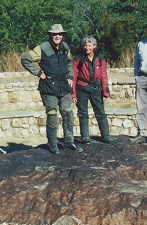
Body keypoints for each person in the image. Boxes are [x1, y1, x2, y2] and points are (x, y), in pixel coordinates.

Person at [21, 24, 83, 154]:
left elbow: (68, 62)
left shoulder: (65, 47)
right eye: (55, 34)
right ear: (50, 35)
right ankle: (53, 144)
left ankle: (69, 142)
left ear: (63, 35)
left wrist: (70, 76)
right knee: (52, 115)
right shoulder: (42, 48)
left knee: (68, 113)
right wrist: (39, 73)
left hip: (64, 86)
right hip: (49, 87)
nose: (57, 36)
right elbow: (25, 59)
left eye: (60, 34)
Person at [72, 35, 115, 144]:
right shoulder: (78, 59)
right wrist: (73, 94)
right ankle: (85, 137)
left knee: (100, 112)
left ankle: (106, 136)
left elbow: (103, 76)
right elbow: (73, 76)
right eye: (85, 45)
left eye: (90, 45)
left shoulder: (100, 59)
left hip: (96, 89)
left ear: (94, 46)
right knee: (83, 113)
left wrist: (105, 92)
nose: (87, 48)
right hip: (82, 88)